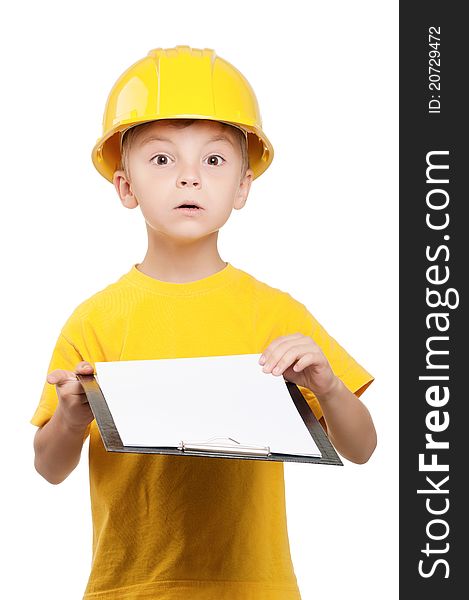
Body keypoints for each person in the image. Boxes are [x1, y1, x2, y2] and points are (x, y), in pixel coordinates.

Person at [30, 45, 377, 600]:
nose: (188, 179)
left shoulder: (276, 313)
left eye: (213, 161)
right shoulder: (94, 320)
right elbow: (48, 469)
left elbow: (362, 448)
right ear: (126, 186)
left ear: (242, 186)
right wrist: (70, 421)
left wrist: (329, 387)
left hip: (255, 589)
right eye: (162, 160)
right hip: (130, 588)